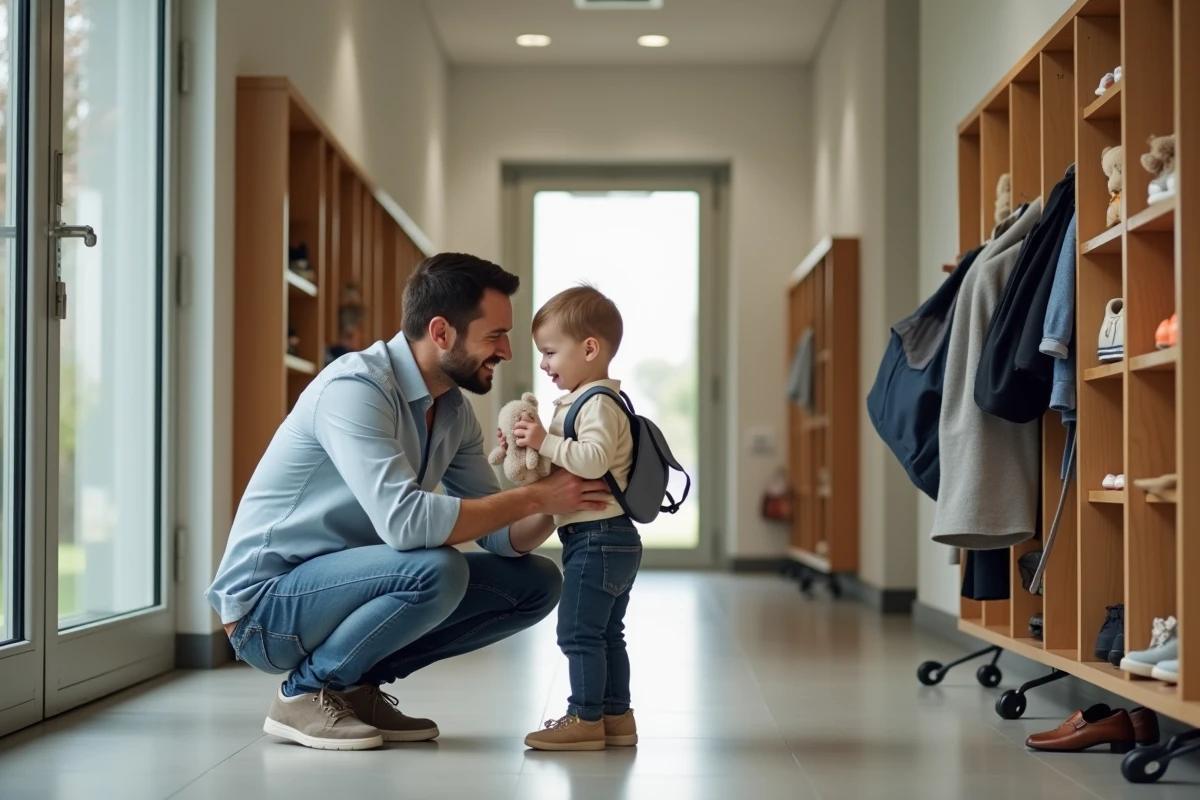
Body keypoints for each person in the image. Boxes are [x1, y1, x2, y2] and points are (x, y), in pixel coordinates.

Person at [206, 253, 609, 752]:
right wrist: (533, 494)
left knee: (535, 582)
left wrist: (552, 498)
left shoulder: (455, 412)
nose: (507, 350)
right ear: (441, 333)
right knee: (436, 569)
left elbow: (499, 535)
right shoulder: (354, 388)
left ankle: (353, 687)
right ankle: (303, 693)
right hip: (267, 608)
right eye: (495, 335)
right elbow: (406, 524)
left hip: (352, 585)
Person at [506, 285, 643, 752]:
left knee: (578, 631)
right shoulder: (585, 400)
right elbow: (565, 466)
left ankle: (584, 718)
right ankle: (615, 716)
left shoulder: (598, 402)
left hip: (599, 537)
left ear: (589, 348)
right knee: (606, 633)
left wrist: (544, 440)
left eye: (549, 352)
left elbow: (592, 459)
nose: (544, 364)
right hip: (606, 538)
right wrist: (528, 451)